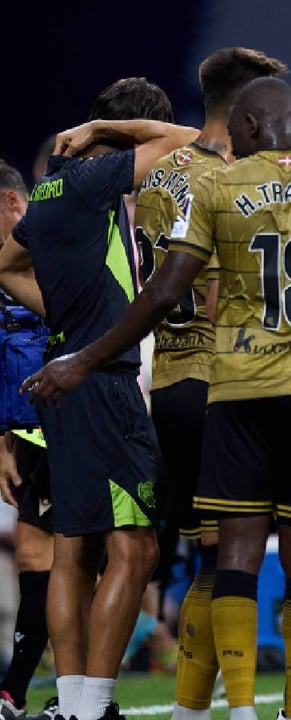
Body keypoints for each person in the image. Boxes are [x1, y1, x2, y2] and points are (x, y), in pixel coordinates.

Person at [23, 77, 291, 720]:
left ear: (247, 128)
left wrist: (83, 358)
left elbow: (166, 293)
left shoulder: (218, 187)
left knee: (233, 555)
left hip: (237, 392)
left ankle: (233, 708)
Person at [0, 78, 195, 720]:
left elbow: (6, 265)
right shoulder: (94, 178)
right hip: (103, 383)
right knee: (135, 549)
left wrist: (66, 318)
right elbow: (188, 139)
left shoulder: (50, 191)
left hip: (67, 379)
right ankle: (90, 707)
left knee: (73, 551)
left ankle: (74, 704)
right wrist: (108, 133)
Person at [131, 48, 288, 720]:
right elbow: (227, 293)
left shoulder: (160, 174)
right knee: (239, 551)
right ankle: (241, 705)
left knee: (205, 548)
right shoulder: (237, 180)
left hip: (169, 381)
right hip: (224, 381)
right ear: (250, 110)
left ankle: (191, 707)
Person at [0, 161, 56, 720]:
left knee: (86, 557)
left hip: (72, 419)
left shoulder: (52, 247)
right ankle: (13, 693)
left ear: (13, 203)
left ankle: (83, 693)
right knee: (36, 555)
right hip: (25, 428)